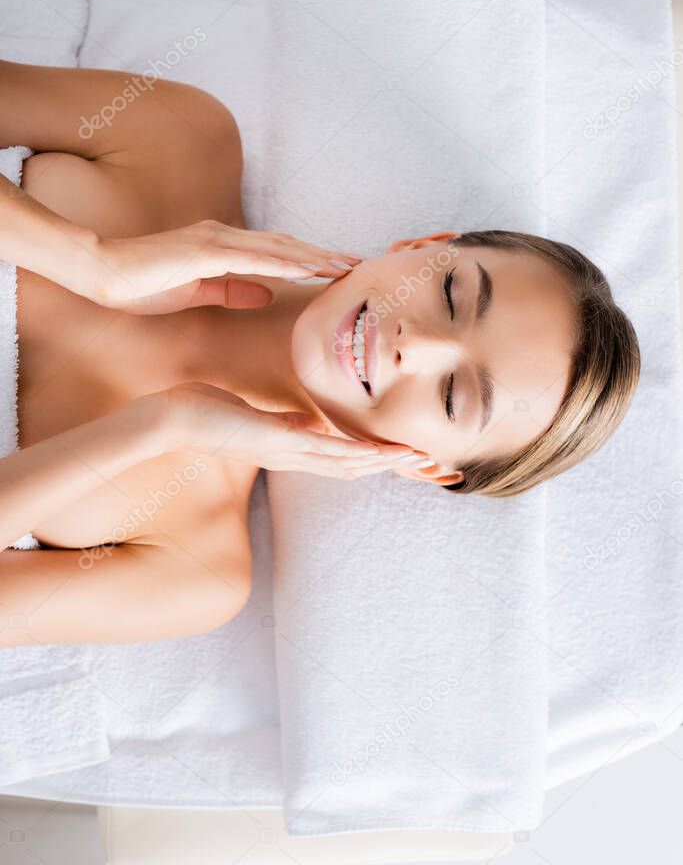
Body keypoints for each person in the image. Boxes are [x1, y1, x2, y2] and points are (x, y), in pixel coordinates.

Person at [0, 59, 640, 647]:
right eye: (450, 292)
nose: (413, 344)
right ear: (424, 244)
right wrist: (90, 260)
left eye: (453, 395)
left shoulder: (193, 568)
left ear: (426, 466)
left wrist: (165, 423)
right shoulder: (183, 138)